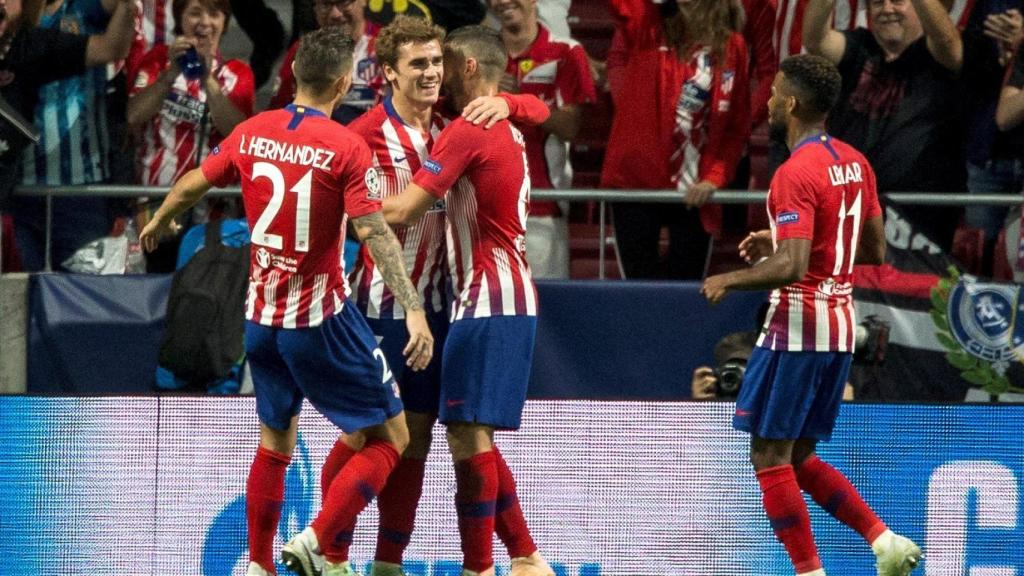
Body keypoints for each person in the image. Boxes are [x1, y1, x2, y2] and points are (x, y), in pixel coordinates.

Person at [138, 27, 433, 576]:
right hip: (319, 318)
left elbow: (191, 184)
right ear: (345, 82)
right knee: (394, 435)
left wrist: (158, 220)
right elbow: (373, 232)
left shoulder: (254, 131)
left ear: (294, 76)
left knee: (275, 439)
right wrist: (412, 305)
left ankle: (258, 565)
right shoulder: (346, 146)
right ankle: (318, 540)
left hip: (259, 320)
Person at [344, 16, 551, 576]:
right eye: (420, 64)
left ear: (462, 68)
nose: (434, 75)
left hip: (469, 300)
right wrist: (516, 105)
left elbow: (408, 206)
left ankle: (485, 564)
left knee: (453, 436)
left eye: (439, 63)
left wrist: (346, 213)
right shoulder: (368, 132)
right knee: (392, 433)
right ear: (389, 73)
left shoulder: (460, 128)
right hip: (397, 303)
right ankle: (518, 558)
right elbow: (540, 112)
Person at [702, 54, 920, 576]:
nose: (770, 101)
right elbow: (871, 251)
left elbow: (796, 265)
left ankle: (809, 572)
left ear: (793, 104)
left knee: (768, 456)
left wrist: (728, 278)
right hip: (842, 324)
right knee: (796, 455)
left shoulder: (793, 172)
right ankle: (883, 539)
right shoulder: (854, 160)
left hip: (797, 323)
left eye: (776, 93)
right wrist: (778, 240)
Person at [602, 0, 750, 280]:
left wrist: (714, 178)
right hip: (636, 185)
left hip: (696, 191)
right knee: (637, 294)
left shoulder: (733, 47)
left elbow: (736, 127)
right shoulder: (648, 31)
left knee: (686, 297)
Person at [803, 0, 965, 252]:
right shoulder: (858, 47)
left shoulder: (935, 54)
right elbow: (815, 40)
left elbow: (948, 44)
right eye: (878, 2)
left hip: (920, 221)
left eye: (898, 1)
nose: (887, 9)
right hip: (849, 210)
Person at [0, 0, 136, 268]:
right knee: (21, 296)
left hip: (80, 188)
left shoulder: (74, 14)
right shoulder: (20, 31)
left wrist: (129, 6)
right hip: (16, 192)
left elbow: (114, 46)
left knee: (81, 298)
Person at [127, 0, 254, 271]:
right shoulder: (157, 60)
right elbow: (133, 116)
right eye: (195, 13)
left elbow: (240, 135)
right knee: (155, 290)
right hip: (156, 202)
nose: (205, 22)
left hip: (215, 208)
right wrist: (170, 74)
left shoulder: (238, 73)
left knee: (203, 293)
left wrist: (208, 79)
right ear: (180, 20)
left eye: (214, 14)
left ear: (225, 23)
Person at [491, 0, 596, 279]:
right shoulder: (480, 54)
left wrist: (521, 104)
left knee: (543, 311)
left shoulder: (565, 52)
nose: (501, 2)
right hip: (483, 210)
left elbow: (570, 127)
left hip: (541, 208)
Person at [270, 0, 383, 125]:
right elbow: (278, 110)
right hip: (314, 138)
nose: (335, 14)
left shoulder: (387, 48)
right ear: (315, 8)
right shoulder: (303, 50)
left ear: (363, 1)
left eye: (343, 3)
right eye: (326, 5)